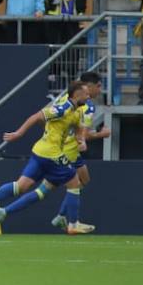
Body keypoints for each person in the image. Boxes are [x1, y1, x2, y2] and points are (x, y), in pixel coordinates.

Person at [0, 80, 94, 234]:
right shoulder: (63, 108)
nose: (89, 96)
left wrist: (80, 140)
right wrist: (19, 133)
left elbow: (76, 127)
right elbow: (37, 117)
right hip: (52, 154)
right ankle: (73, 223)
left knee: (21, 186)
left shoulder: (76, 111)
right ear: (77, 95)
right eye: (86, 93)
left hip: (40, 152)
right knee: (75, 183)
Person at [50, 71, 109, 232]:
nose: (100, 90)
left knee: (82, 180)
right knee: (43, 189)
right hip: (68, 149)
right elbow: (84, 135)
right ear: (88, 87)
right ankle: (69, 221)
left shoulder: (65, 98)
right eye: (98, 86)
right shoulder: (87, 105)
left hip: (59, 146)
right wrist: (102, 134)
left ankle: (62, 216)